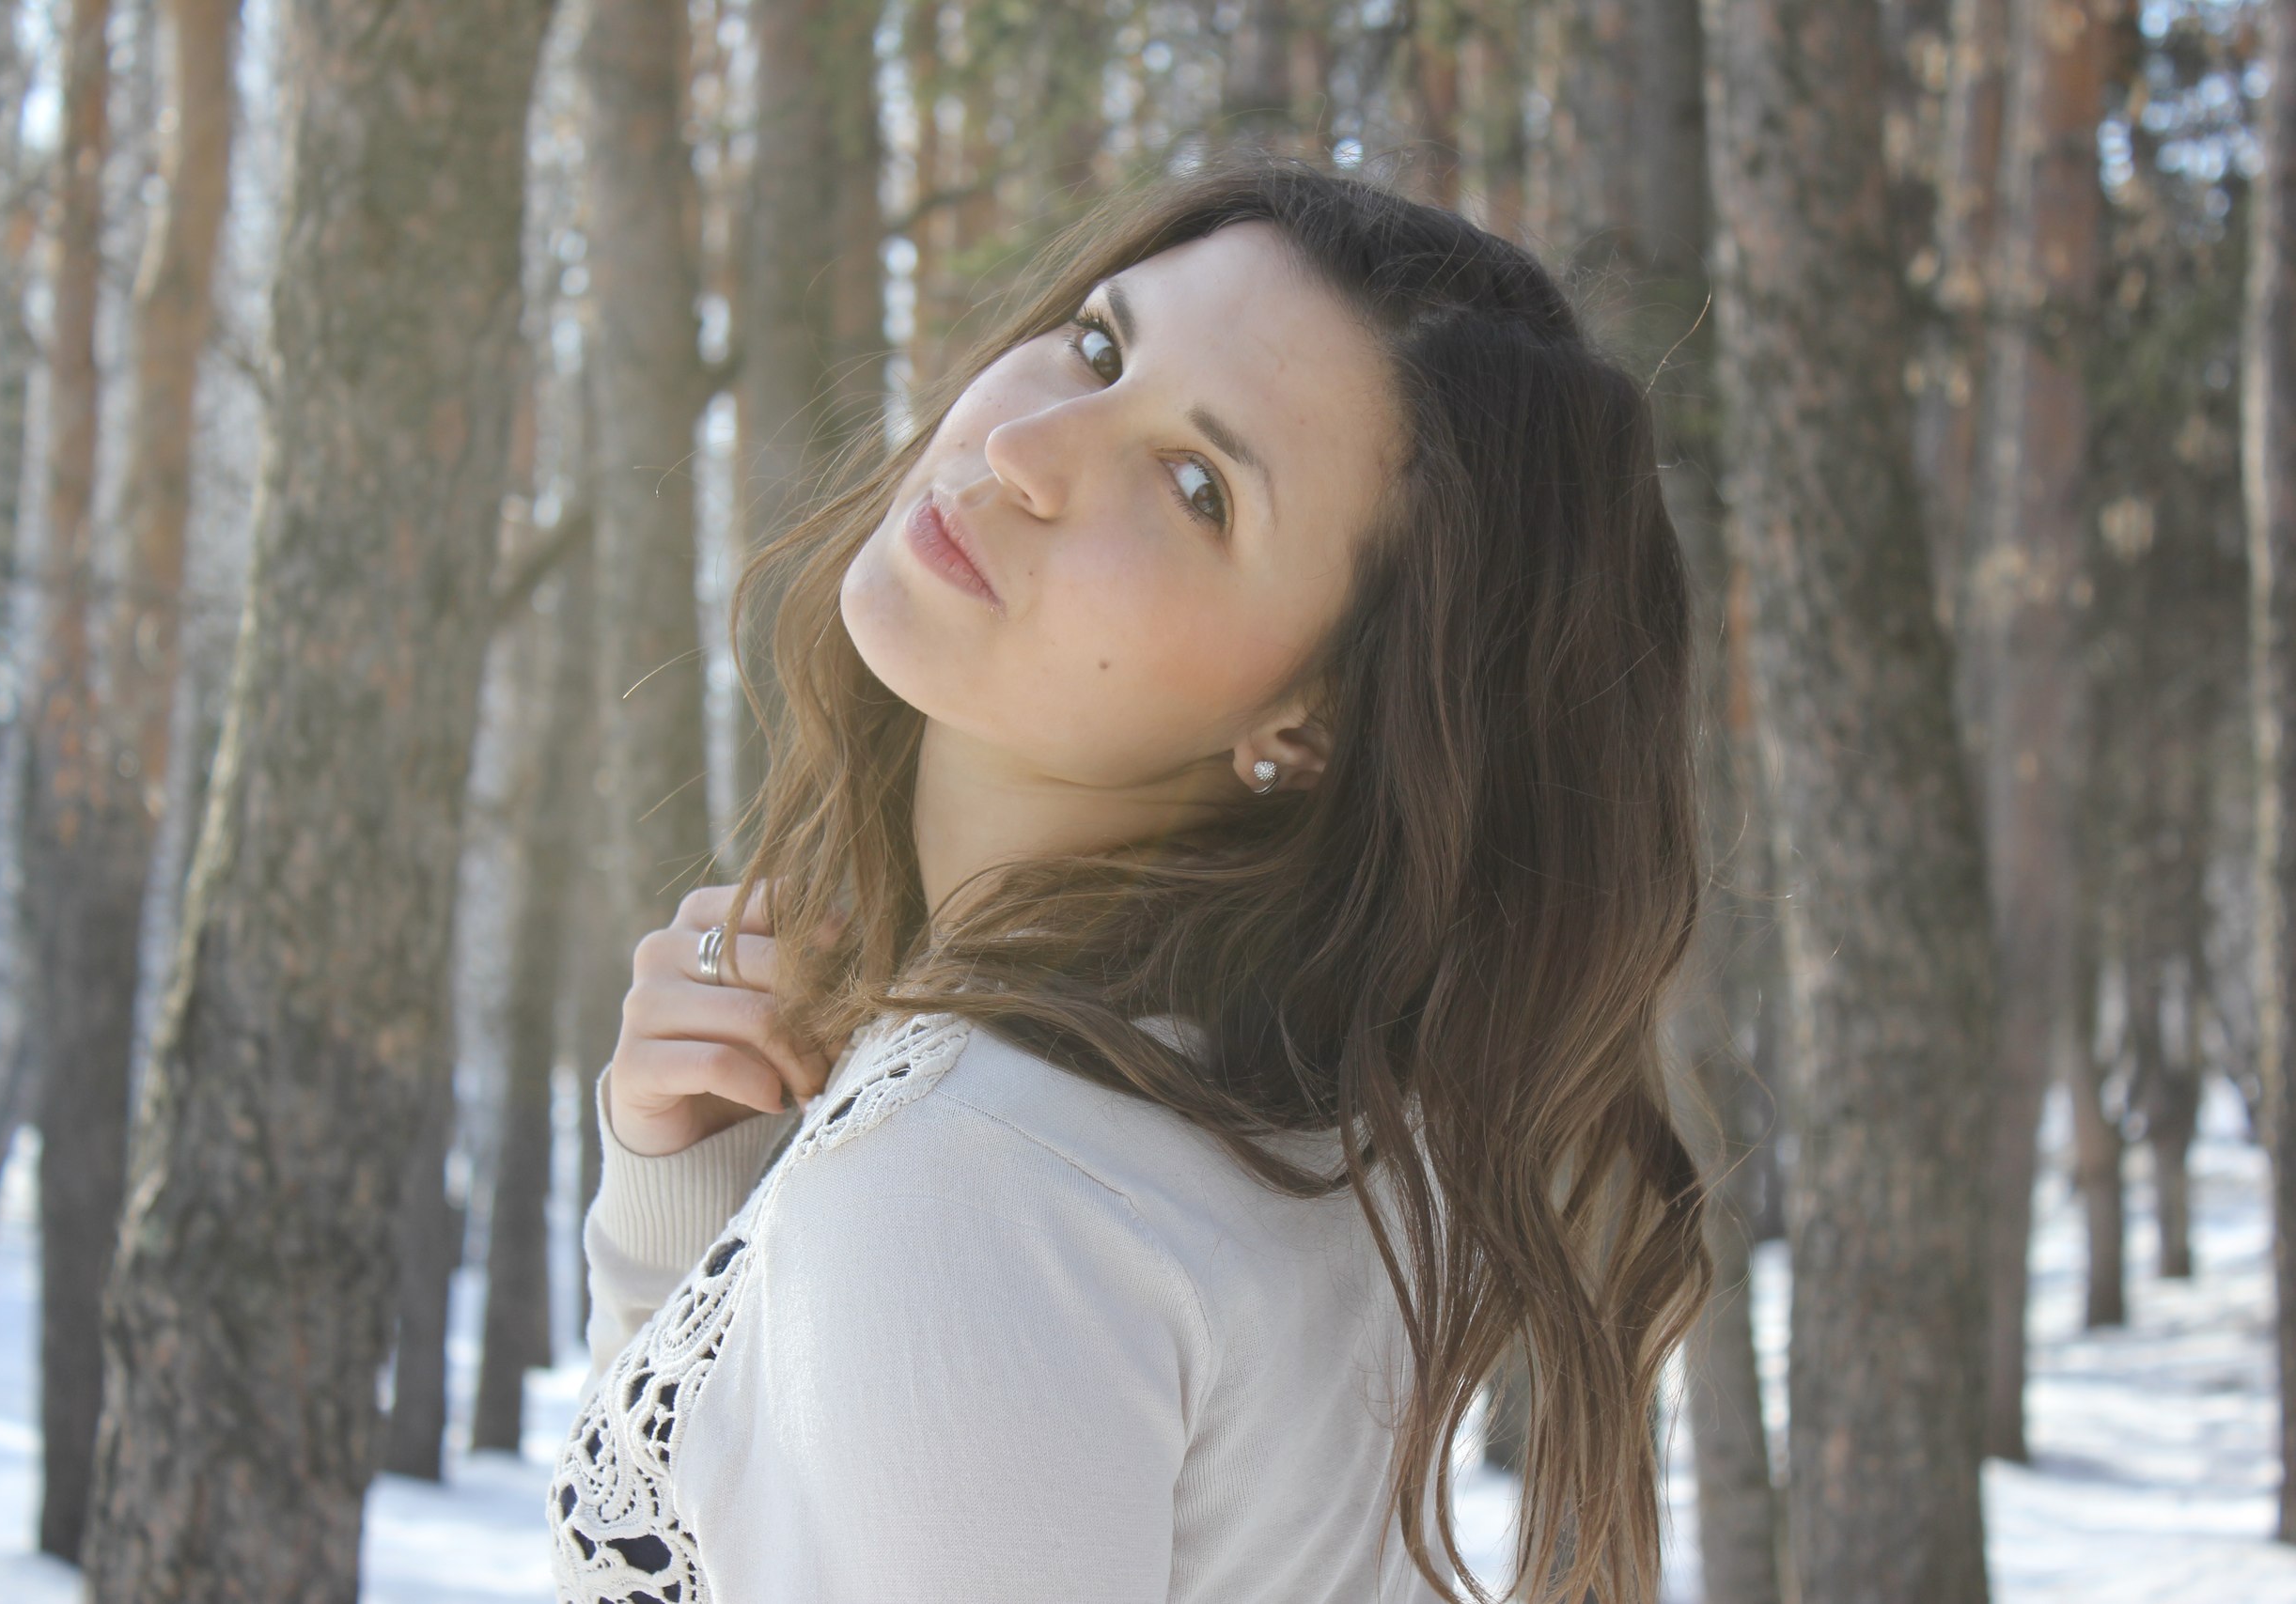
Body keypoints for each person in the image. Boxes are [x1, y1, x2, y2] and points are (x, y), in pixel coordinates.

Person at [547, 152, 1713, 1604]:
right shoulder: (1290, 1126)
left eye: (1195, 485)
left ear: (1311, 722)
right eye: (1099, 347)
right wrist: (694, 1222)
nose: (1026, 447)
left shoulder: (986, 1189)